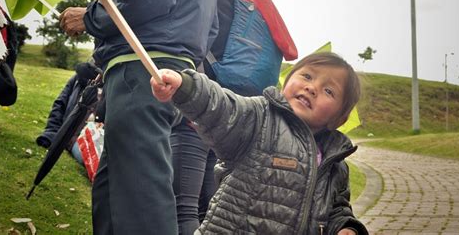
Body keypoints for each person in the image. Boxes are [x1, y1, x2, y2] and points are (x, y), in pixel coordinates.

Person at [60, 0, 219, 235]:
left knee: (141, 196)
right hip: (172, 65)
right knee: (112, 190)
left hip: (141, 65)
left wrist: (90, 17)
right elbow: (211, 26)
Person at [151, 52, 368, 235]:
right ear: (287, 80)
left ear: (340, 119)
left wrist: (346, 227)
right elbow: (224, 108)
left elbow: (337, 209)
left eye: (329, 91)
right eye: (307, 76)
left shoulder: (336, 164)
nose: (312, 88)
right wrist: (187, 87)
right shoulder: (260, 117)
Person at [170, 0, 244, 234]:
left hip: (198, 107)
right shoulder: (239, 0)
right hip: (227, 114)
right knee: (207, 207)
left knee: (183, 207)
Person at [36, 61, 102, 165]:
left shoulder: (115, 84)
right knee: (84, 158)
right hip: (75, 138)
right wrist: (52, 132)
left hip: (99, 138)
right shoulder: (80, 76)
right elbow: (60, 104)